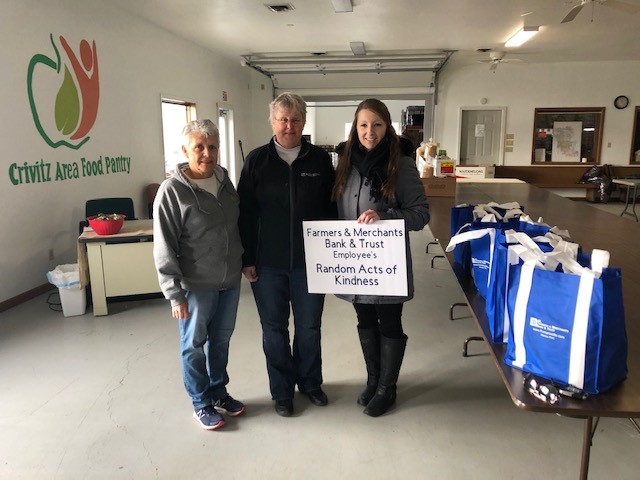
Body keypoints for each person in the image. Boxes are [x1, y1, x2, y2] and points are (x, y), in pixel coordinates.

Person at [238, 92, 337, 417]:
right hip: (268, 265)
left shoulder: (320, 162)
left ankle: (309, 382)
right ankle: (281, 392)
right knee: (274, 329)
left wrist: (335, 256)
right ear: (272, 121)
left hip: (311, 265)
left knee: (309, 327)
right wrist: (247, 258)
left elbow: (332, 210)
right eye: (283, 119)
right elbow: (245, 214)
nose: (289, 125)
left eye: (295, 119)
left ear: (303, 122)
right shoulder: (256, 161)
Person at [332, 99, 430, 417]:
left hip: (386, 262)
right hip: (355, 261)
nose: (369, 132)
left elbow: (420, 214)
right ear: (354, 127)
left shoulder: (400, 164)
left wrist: (385, 216)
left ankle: (388, 388)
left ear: (387, 127)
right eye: (363, 125)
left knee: (389, 322)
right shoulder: (345, 163)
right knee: (364, 320)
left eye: (377, 125)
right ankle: (373, 380)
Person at [153, 119, 245, 431]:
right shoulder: (172, 191)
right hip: (195, 285)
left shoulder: (224, 180)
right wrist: (173, 293)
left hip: (229, 281)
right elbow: (164, 245)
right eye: (199, 147)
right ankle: (200, 402)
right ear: (185, 150)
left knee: (220, 341)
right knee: (193, 345)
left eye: (213, 146)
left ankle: (219, 392)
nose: (207, 153)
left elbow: (234, 227)